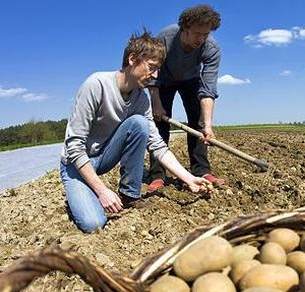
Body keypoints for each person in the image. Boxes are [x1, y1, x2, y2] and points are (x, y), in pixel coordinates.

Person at [60, 31, 212, 233]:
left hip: (104, 156)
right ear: (132, 59)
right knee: (93, 223)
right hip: (75, 164)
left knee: (139, 123)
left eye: (158, 69)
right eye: (152, 67)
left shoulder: (141, 99)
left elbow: (157, 144)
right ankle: (80, 192)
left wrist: (189, 178)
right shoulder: (96, 85)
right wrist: (101, 190)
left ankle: (129, 194)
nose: (155, 75)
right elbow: (74, 145)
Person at [146, 4, 224, 193]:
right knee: (159, 124)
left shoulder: (211, 48)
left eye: (206, 34)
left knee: (198, 122)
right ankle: (157, 174)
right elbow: (152, 71)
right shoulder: (165, 39)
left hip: (191, 79)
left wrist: (207, 125)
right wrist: (156, 102)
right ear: (185, 28)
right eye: (197, 33)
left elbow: (208, 89)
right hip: (163, 79)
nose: (202, 39)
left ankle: (202, 170)